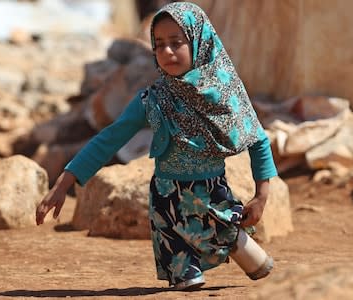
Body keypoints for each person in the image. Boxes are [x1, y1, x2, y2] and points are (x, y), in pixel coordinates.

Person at [36, 2, 278, 291]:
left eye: (177, 43)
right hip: (167, 200)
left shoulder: (225, 92)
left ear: (200, 42)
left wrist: (262, 195)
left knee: (243, 249)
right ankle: (189, 272)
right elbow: (110, 138)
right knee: (185, 280)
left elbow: (257, 139)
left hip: (212, 192)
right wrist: (66, 181)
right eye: (159, 45)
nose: (166, 52)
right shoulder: (152, 100)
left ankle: (240, 246)